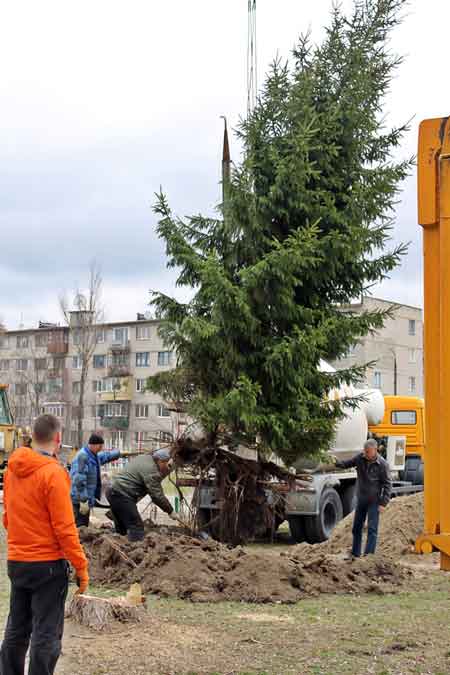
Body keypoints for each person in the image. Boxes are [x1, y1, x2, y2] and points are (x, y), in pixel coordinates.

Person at [0, 414, 89, 675]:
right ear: (58, 439)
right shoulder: (54, 473)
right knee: (46, 634)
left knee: (16, 629)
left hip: (17, 562)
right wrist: (81, 567)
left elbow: (8, 518)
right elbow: (65, 529)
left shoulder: (12, 469)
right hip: (48, 566)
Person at [106, 448, 184, 541]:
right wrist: (170, 511)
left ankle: (119, 549)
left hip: (113, 491)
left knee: (122, 528)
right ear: (160, 461)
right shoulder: (151, 471)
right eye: (166, 464)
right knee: (136, 526)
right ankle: (136, 552)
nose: (166, 468)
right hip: (121, 494)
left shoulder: (144, 458)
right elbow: (156, 495)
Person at [334, 439, 392, 558]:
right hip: (361, 499)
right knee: (356, 528)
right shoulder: (360, 458)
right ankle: (355, 554)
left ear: (375, 450)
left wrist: (383, 503)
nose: (365, 454)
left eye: (368, 452)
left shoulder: (383, 465)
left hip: (374, 501)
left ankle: (368, 556)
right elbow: (347, 464)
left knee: (372, 529)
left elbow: (387, 484)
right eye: (364, 451)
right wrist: (335, 462)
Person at [70, 433, 121, 527]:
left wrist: (118, 453)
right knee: (80, 525)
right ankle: (78, 540)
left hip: (86, 497)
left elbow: (105, 456)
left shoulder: (93, 455)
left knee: (84, 523)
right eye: (100, 446)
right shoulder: (82, 457)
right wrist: (84, 500)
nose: (101, 448)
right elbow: (79, 481)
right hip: (80, 500)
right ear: (94, 444)